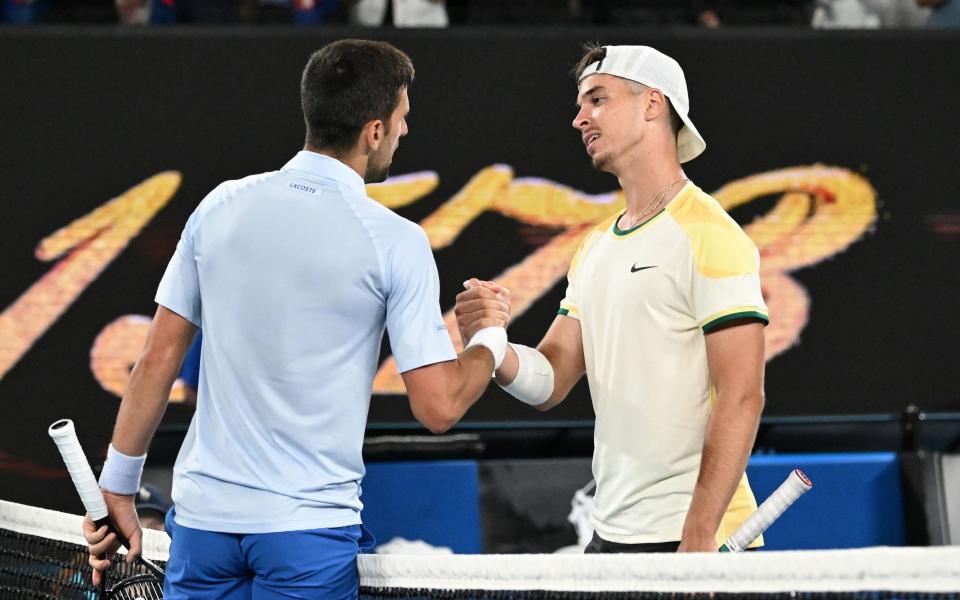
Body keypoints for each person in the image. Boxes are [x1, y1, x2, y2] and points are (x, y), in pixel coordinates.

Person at [83, 38, 509, 598]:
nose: (404, 132)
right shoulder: (395, 241)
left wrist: (118, 487)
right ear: (373, 130)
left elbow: (156, 360)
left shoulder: (219, 206)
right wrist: (490, 338)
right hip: (305, 537)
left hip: (204, 529)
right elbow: (439, 406)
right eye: (401, 119)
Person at [456, 44, 768, 553]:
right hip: (611, 537)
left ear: (652, 104)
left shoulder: (711, 235)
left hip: (694, 538)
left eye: (596, 100)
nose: (579, 119)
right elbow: (551, 382)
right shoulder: (596, 246)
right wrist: (493, 343)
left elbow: (742, 395)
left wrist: (699, 532)